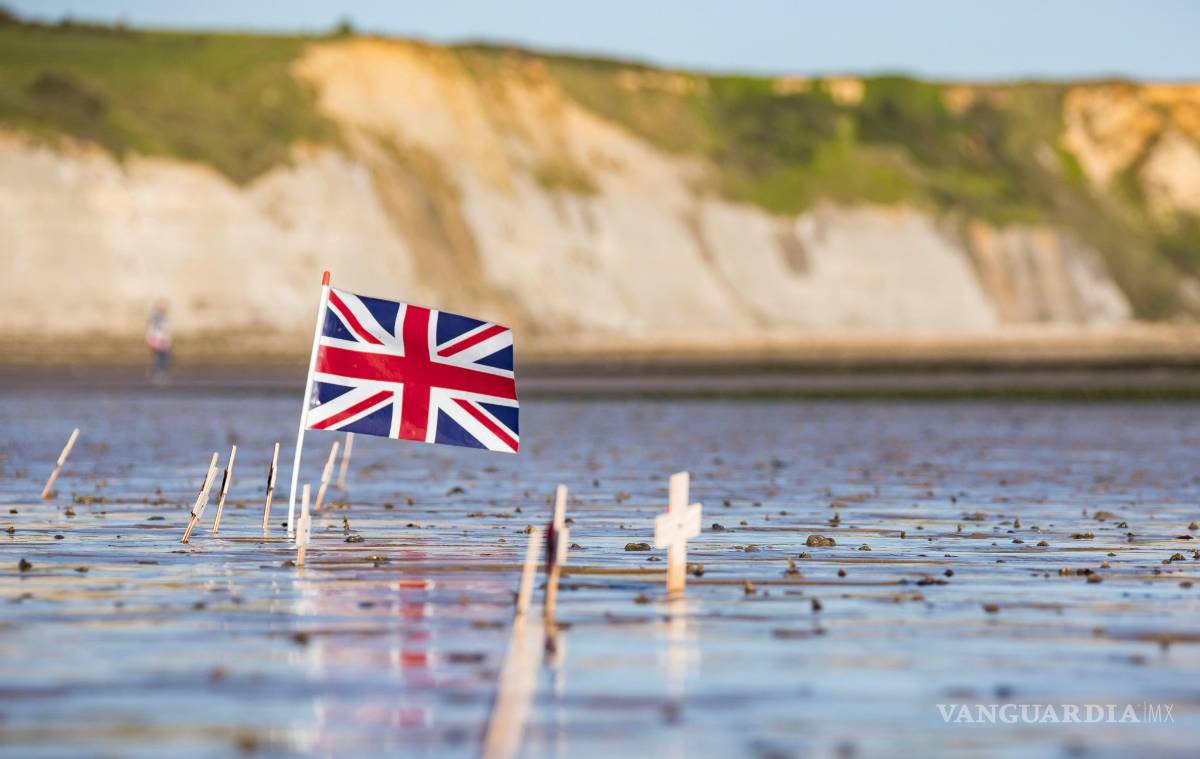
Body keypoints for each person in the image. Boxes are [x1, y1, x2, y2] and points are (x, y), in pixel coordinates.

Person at [145, 301, 172, 384]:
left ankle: (157, 375)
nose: (164, 309)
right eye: (162, 307)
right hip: (157, 340)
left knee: (163, 358)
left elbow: (165, 330)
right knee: (161, 358)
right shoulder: (156, 317)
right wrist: (150, 339)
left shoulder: (161, 317)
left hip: (161, 340)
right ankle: (157, 375)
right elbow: (153, 329)